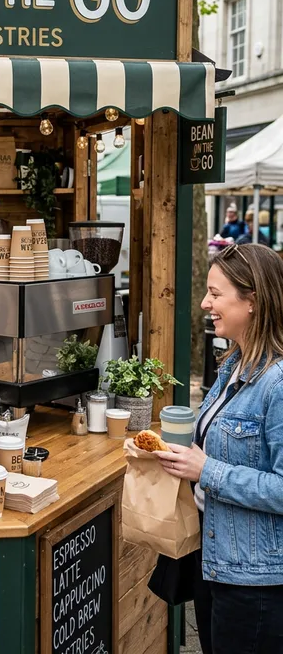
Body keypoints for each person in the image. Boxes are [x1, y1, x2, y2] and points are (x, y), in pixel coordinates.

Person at [155, 243, 283, 654]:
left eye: (216, 293)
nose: (205, 303)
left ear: (253, 302)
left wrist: (206, 470)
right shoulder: (234, 364)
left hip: (256, 581)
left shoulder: (277, 384)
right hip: (215, 561)